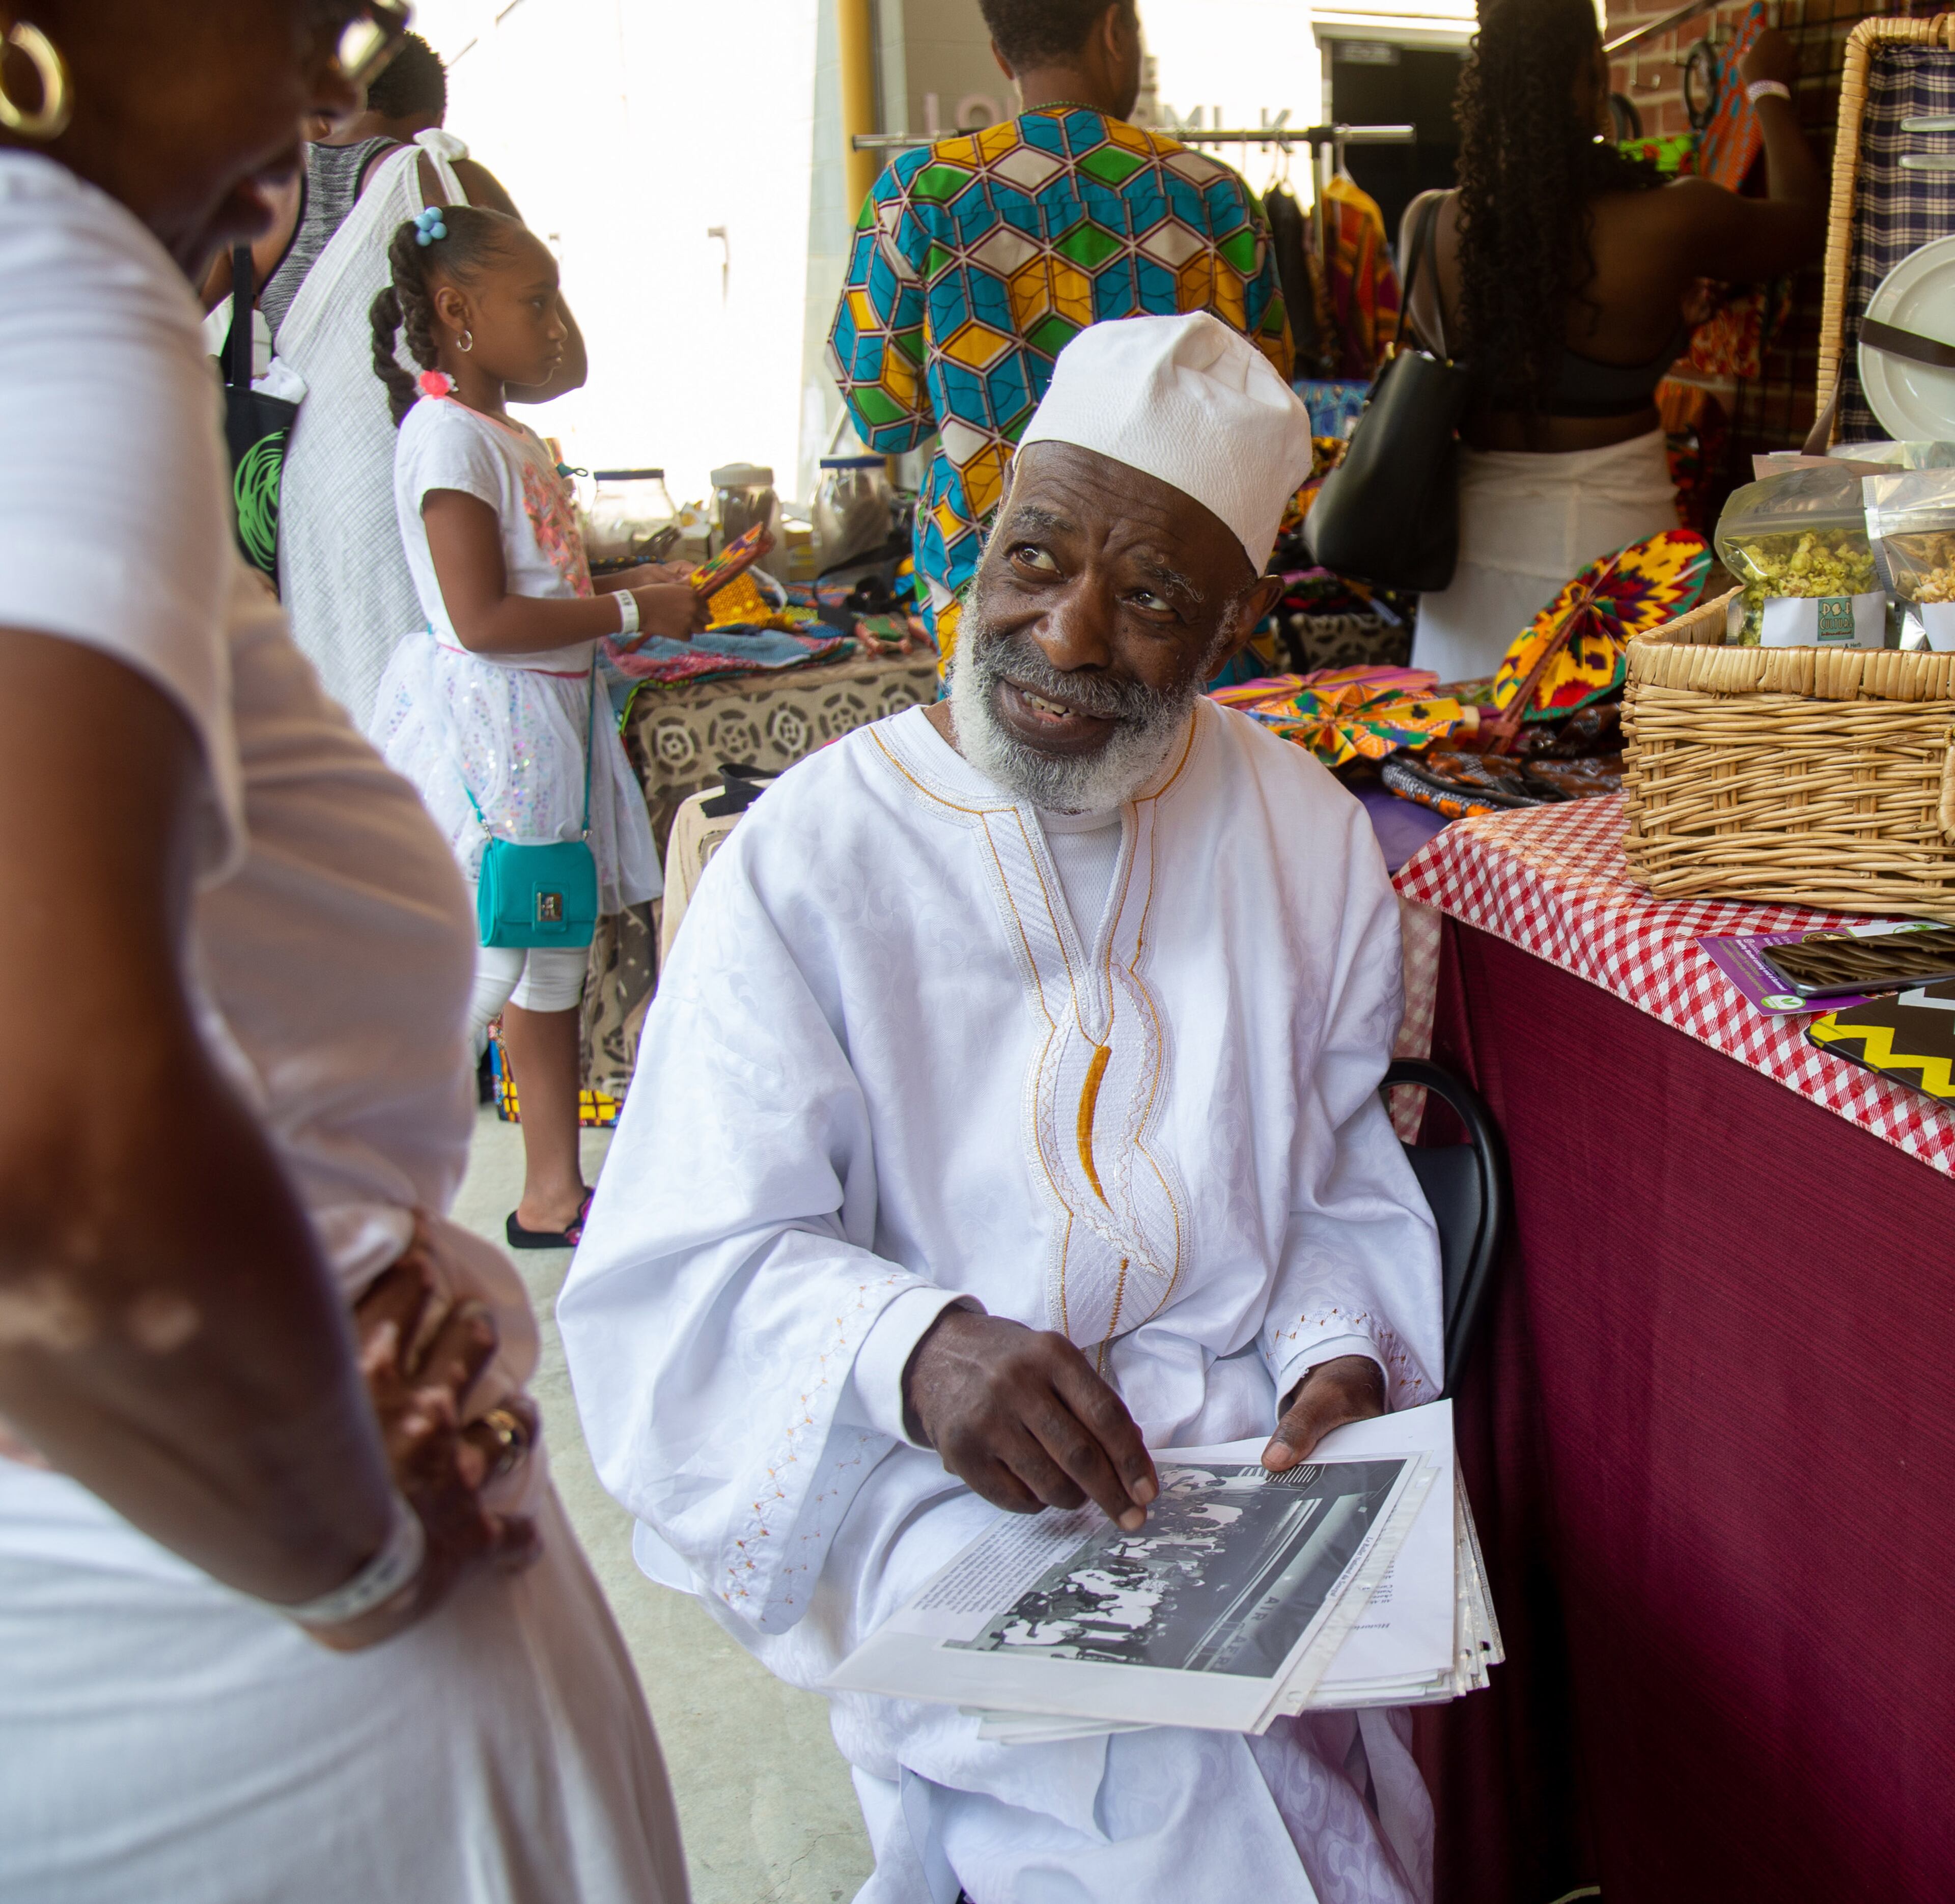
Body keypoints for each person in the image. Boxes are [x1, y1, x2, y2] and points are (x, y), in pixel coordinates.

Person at [562, 313, 1442, 1904]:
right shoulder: (816, 857)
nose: (1070, 632)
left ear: (1238, 623)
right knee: (1156, 1788)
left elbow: (1337, 1178)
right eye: (1035, 557)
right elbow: (674, 1261)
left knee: (1297, 1774)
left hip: (1241, 1454)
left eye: (1152, 598)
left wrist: (1337, 1346)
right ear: (987, 537)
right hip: (933, 1477)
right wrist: (913, 1347)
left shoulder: (1308, 839)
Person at [0, 6, 687, 1898]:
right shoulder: (47, 287)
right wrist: (347, 1539)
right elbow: (51, 1153)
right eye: (313, 22)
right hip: (227, 1650)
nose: (323, 106)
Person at [368, 203, 701, 1249]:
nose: (557, 323)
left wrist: (620, 581)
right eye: (537, 300)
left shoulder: (501, 431)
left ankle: (550, 1194)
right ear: (458, 312)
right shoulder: (446, 440)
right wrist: (634, 612)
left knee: (551, 953)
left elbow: (531, 578)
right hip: (503, 732)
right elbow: (483, 618)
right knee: (501, 959)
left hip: (553, 723)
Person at [829, 0, 1293, 671]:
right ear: (1114, 30)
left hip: (994, 589)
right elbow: (1268, 411)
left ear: (1000, 54)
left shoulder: (922, 196)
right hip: (1174, 599)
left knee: (1005, 770)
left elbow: (882, 416)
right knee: (1192, 771)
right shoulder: (1215, 198)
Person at [1401, 0, 1825, 680]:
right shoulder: (1669, 219)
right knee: (1613, 762)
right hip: (1616, 554)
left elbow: (1516, 345)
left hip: (1463, 556)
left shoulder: (1429, 224)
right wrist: (1765, 86)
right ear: (1595, 78)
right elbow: (1806, 225)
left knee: (1450, 758)